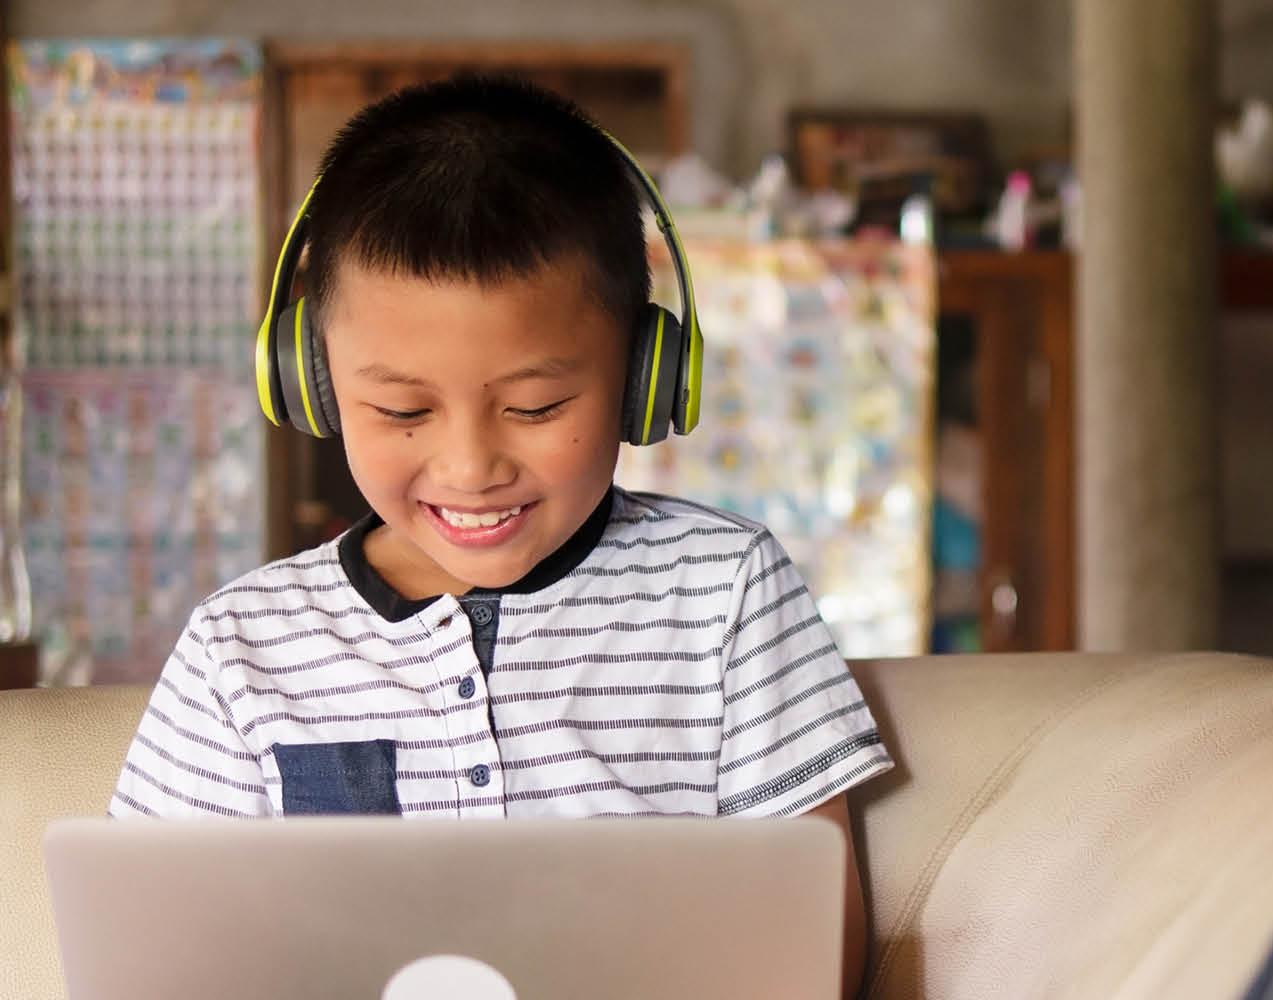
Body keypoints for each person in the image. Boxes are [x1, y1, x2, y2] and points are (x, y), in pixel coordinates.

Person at [106, 76, 893, 997]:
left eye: (535, 406)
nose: (470, 467)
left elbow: (814, 947)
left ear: (647, 375)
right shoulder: (239, 648)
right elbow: (153, 961)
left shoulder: (724, 593)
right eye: (403, 409)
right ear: (312, 382)